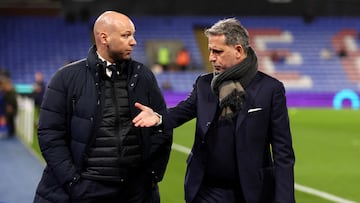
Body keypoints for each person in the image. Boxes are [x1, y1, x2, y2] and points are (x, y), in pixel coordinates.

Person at [133, 17, 295, 203]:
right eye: (210, 50)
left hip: (251, 190)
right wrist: (159, 118)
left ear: (239, 51)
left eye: (217, 51)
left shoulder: (270, 89)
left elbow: (283, 152)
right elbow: (182, 111)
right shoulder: (204, 83)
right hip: (207, 189)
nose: (211, 57)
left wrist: (285, 198)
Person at [34, 11, 172, 203]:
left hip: (134, 191)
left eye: (133, 34)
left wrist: (150, 176)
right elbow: (50, 133)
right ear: (104, 38)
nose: (134, 42)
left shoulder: (144, 76)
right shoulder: (66, 78)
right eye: (126, 35)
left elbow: (163, 126)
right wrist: (73, 182)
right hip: (86, 188)